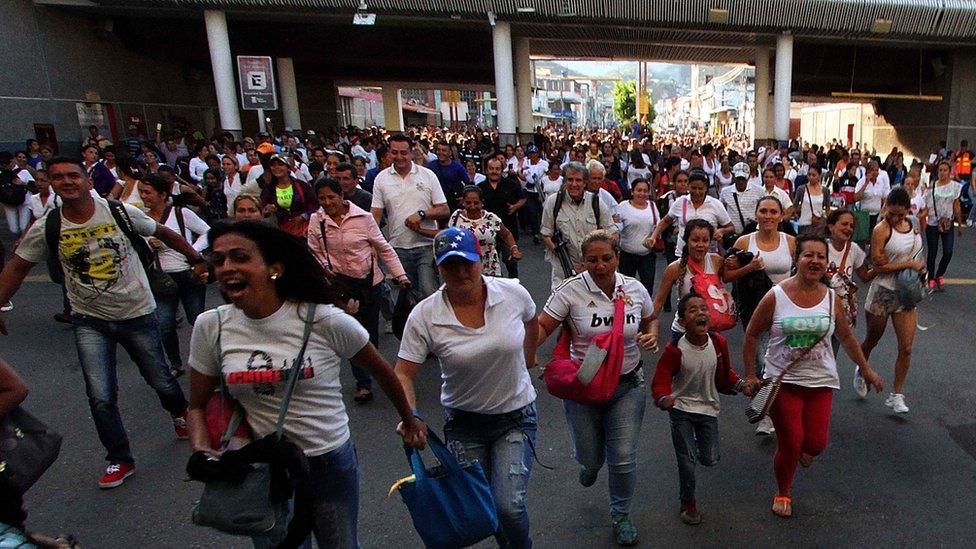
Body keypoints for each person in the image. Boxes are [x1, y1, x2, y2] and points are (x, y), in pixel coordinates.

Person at [186, 220, 427, 548]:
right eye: (218, 260)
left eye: (239, 258)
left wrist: (410, 422)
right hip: (262, 470)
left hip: (326, 463)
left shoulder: (324, 320)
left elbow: (385, 372)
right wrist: (203, 452)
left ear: (274, 268)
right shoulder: (210, 326)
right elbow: (196, 405)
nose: (226, 267)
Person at [0, 157, 207, 488]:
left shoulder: (117, 212)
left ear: (88, 181)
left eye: (73, 176)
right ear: (51, 184)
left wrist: (198, 260)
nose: (67, 182)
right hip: (89, 320)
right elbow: (17, 267)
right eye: (58, 178)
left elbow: (164, 232)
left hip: (137, 312)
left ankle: (179, 412)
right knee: (100, 394)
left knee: (161, 379)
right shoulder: (48, 226)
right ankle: (119, 458)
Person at [394, 226, 540, 548]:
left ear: (481, 260)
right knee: (483, 506)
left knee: (508, 506)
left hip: (516, 415)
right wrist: (410, 415)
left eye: (467, 262)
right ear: (438, 268)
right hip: (464, 424)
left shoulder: (512, 293)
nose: (461, 272)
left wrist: (529, 356)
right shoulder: (425, 315)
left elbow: (532, 320)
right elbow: (403, 373)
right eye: (451, 265)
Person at [742, 234, 884, 518]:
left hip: (821, 381)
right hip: (785, 382)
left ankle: (803, 452)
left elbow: (845, 336)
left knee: (816, 444)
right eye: (809, 255)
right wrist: (750, 375)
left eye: (821, 256)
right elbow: (752, 334)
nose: (815, 261)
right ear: (797, 260)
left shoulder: (831, 298)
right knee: (791, 442)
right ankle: (783, 490)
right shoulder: (777, 295)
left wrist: (866, 369)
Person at [537, 229, 656, 546]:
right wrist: (523, 355)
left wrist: (652, 334)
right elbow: (542, 326)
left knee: (623, 457)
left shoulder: (633, 288)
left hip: (628, 384)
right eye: (592, 260)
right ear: (581, 261)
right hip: (584, 388)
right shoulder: (569, 291)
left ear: (617, 257)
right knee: (592, 457)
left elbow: (650, 318)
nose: (600, 266)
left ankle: (620, 515)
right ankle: (589, 464)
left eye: (606, 258)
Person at [308, 177, 409, 403]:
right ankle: (363, 383)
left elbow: (383, 248)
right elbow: (312, 250)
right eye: (322, 198)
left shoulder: (363, 218)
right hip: (341, 288)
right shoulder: (317, 221)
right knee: (350, 332)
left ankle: (375, 368)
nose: (327, 202)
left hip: (369, 283)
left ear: (341, 196)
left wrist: (400, 276)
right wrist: (324, 268)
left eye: (331, 197)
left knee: (369, 332)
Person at [651, 292, 747, 525]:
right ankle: (688, 505)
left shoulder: (718, 343)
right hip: (681, 409)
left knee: (710, 459)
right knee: (687, 461)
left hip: (708, 408)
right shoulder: (675, 349)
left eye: (704, 308)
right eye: (693, 310)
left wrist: (742, 385)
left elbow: (726, 375)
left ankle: (694, 445)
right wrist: (664, 398)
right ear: (683, 322)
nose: (700, 313)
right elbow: (661, 379)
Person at [724, 195, 796, 434]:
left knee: (783, 359)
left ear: (781, 215)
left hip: (786, 308)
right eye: (763, 211)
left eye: (773, 212)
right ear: (756, 215)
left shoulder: (791, 242)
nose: (768, 216)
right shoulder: (745, 241)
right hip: (755, 308)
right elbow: (728, 276)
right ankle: (765, 413)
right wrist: (750, 267)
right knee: (762, 360)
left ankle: (776, 406)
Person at [859, 187, 925, 414]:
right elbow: (879, 266)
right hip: (884, 290)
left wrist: (920, 268)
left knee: (906, 347)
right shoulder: (881, 229)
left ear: (908, 210)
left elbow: (918, 252)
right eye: (890, 212)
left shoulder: (915, 225)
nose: (895, 218)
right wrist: (908, 265)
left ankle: (896, 394)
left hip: (906, 292)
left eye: (900, 214)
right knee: (872, 340)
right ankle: (862, 368)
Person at [139, 174, 210, 377]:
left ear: (163, 194)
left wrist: (192, 251)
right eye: (142, 192)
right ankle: (175, 363)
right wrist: (150, 246)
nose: (144, 197)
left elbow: (208, 232)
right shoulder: (142, 219)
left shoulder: (181, 213)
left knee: (197, 320)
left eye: (148, 192)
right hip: (161, 278)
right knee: (164, 324)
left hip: (188, 275)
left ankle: (206, 363)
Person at [371, 134, 449, 301]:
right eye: (394, 152)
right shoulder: (381, 179)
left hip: (426, 246)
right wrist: (372, 244)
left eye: (403, 152)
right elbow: (375, 215)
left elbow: (444, 209)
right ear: (389, 153)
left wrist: (422, 214)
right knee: (406, 297)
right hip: (398, 247)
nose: (399, 157)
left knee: (429, 292)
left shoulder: (428, 175)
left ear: (412, 152)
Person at [539, 162, 615, 290]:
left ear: (585, 183)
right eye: (570, 180)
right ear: (564, 181)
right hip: (563, 270)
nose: (574, 184)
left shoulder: (596, 203)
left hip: (593, 270)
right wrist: (561, 255)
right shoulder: (553, 202)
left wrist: (595, 260)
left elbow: (613, 234)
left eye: (578, 180)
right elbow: (546, 235)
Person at [823, 209, 873, 395]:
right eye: (844, 224)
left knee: (831, 356)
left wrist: (880, 266)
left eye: (851, 226)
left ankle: (823, 393)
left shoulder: (854, 251)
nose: (848, 228)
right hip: (820, 310)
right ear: (831, 226)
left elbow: (864, 276)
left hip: (841, 314)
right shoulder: (822, 248)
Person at [649, 171, 733, 258]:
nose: (697, 192)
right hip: (683, 254)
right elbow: (665, 221)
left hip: (708, 255)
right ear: (688, 186)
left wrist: (721, 231)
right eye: (693, 188)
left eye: (700, 188)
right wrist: (653, 237)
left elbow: (731, 227)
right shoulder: (680, 202)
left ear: (706, 188)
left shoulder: (715, 204)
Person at [443, 185, 521, 276]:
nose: (472, 207)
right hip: (465, 271)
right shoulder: (456, 217)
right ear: (463, 202)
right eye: (468, 203)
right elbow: (446, 237)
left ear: (482, 203)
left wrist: (514, 249)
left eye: (476, 203)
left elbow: (506, 234)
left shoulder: (490, 218)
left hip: (491, 270)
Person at [478, 157, 525, 277]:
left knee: (511, 262)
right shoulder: (480, 188)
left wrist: (515, 206)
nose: (494, 171)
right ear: (487, 170)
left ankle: (514, 286)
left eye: (497, 169)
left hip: (508, 230)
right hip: (487, 232)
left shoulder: (511, 184)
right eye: (491, 169)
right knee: (489, 267)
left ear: (502, 169)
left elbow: (523, 198)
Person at [923, 160, 964, 291]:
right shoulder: (933, 186)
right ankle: (930, 279)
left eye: (945, 170)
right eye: (940, 170)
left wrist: (960, 223)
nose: (942, 173)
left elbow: (956, 206)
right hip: (933, 223)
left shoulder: (955, 187)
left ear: (949, 171)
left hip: (947, 223)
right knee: (932, 252)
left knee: (948, 251)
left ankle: (939, 274)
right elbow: (925, 205)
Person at [613, 178, 659, 294]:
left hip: (647, 255)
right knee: (626, 288)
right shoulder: (623, 206)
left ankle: (645, 310)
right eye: (639, 190)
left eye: (645, 191)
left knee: (648, 286)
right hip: (627, 256)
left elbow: (658, 227)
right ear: (632, 191)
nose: (642, 194)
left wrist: (653, 237)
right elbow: (616, 227)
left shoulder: (652, 206)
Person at [260, 153, 317, 237]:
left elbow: (315, 205)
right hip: (280, 231)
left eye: (280, 165)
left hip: (303, 231)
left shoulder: (301, 185)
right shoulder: (268, 189)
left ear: (288, 167)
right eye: (273, 165)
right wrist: (267, 209)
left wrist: (303, 216)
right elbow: (262, 206)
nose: (276, 168)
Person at [719, 162, 762, 238]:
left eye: (743, 179)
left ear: (748, 177)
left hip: (752, 234)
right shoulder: (725, 192)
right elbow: (721, 210)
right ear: (734, 177)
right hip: (733, 236)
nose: (741, 182)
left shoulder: (759, 191)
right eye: (738, 179)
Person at [426, 141, 469, 215]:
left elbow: (469, 183)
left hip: (453, 204)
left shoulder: (458, 167)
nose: (440, 152)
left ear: (450, 153)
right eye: (439, 150)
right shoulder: (430, 166)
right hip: (436, 204)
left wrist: (464, 197)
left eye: (444, 150)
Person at [853, 160, 890, 234]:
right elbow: (856, 198)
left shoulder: (880, 182)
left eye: (876, 170)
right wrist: (866, 183)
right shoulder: (861, 182)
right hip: (864, 215)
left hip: (877, 215)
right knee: (864, 237)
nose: (874, 172)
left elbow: (884, 198)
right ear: (868, 171)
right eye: (872, 170)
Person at [794, 164, 828, 235]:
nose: (811, 177)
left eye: (813, 175)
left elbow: (827, 208)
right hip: (804, 225)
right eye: (809, 175)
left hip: (818, 226)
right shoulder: (801, 189)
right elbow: (794, 206)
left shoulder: (825, 190)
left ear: (819, 176)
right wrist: (796, 215)